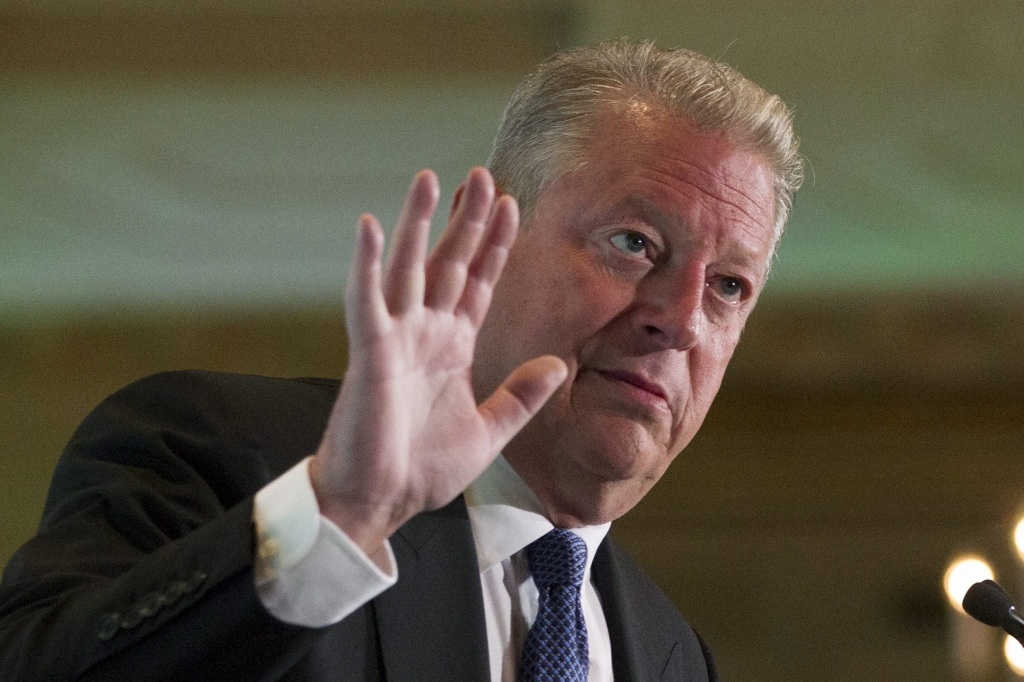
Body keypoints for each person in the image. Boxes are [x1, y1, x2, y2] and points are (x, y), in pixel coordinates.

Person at [0, 40, 802, 681]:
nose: (681, 320)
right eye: (635, 243)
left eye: (730, 286)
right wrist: (343, 515)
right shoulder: (218, 450)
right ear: (489, 231)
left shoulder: (673, 653)